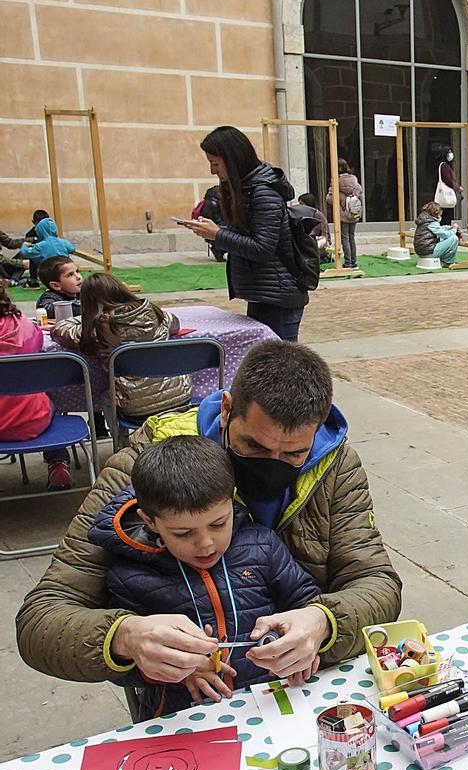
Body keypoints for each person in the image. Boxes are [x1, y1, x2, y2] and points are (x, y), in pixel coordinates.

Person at [16, 339, 403, 704]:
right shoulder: (147, 466)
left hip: (303, 683)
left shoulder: (335, 466)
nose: (271, 464)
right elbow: (42, 619)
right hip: (182, 700)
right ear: (226, 409)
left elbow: (377, 583)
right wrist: (125, 637)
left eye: (294, 454)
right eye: (253, 445)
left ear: (316, 431)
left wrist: (324, 622)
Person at [89, 436, 324, 718]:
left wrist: (305, 637)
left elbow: (306, 600)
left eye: (218, 524)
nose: (206, 544)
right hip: (184, 719)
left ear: (231, 498)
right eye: (183, 533)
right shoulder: (130, 576)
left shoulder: (262, 545)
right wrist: (172, 669)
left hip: (275, 705)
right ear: (150, 521)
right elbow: (122, 670)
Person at [182, 125, 309, 340]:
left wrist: (218, 234)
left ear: (233, 160)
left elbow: (263, 248)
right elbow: (245, 236)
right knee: (266, 364)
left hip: (278, 297)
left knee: (279, 367)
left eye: (215, 164)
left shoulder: (263, 193)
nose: (213, 171)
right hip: (264, 293)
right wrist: (215, 231)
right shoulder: (245, 189)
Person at [55, 272, 192, 425]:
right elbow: (176, 324)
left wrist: (87, 317)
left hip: (136, 409)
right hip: (181, 398)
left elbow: (60, 330)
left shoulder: (97, 330)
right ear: (121, 289)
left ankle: (120, 440)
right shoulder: (156, 314)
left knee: (105, 397)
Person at [0, 281, 73, 491]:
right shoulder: (23, 325)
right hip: (31, 418)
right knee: (52, 394)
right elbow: (39, 342)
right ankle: (58, 461)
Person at [16, 212, 76, 284]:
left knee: (34, 258)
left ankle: (33, 280)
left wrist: (25, 245)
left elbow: (26, 252)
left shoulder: (41, 245)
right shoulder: (63, 242)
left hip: (50, 272)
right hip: (66, 268)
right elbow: (72, 249)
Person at [329, 158, 363, 268]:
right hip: (353, 213)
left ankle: (347, 262)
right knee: (352, 237)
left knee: (345, 238)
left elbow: (329, 199)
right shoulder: (354, 180)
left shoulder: (336, 181)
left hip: (342, 214)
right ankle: (353, 261)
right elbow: (361, 196)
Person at [35, 254, 82, 320]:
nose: (78, 277)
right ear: (56, 285)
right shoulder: (49, 297)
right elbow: (47, 310)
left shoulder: (83, 293)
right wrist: (87, 307)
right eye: (70, 275)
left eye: (77, 271)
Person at [294, 193, 333, 263]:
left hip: (318, 244)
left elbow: (325, 236)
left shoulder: (318, 215)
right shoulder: (300, 216)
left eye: (301, 204)